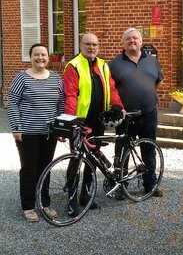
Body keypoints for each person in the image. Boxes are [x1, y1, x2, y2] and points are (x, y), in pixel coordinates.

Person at [64, 32, 123, 214]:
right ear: (81, 45)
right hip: (80, 122)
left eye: (95, 45)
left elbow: (111, 88)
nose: (91, 47)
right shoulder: (73, 66)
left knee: (94, 157)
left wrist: (117, 105)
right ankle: (71, 200)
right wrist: (70, 121)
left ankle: (86, 195)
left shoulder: (104, 65)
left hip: (98, 120)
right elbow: (70, 95)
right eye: (88, 44)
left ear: (98, 47)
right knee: (76, 159)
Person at [8, 43, 64, 222]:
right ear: (31, 57)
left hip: (49, 133)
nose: (40, 58)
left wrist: (61, 128)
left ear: (48, 58)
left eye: (43, 55)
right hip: (27, 132)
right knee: (29, 169)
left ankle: (44, 203)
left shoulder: (56, 78)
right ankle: (28, 206)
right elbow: (13, 102)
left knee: (45, 168)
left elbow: (60, 104)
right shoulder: (22, 78)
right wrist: (16, 127)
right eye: (36, 55)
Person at [109, 27, 164, 197]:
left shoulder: (152, 61)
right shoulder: (114, 64)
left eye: (135, 38)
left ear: (141, 42)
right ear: (123, 43)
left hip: (149, 113)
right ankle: (121, 185)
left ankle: (150, 184)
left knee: (149, 148)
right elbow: (110, 89)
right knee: (123, 149)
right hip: (126, 116)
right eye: (128, 39)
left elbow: (158, 82)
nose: (132, 41)